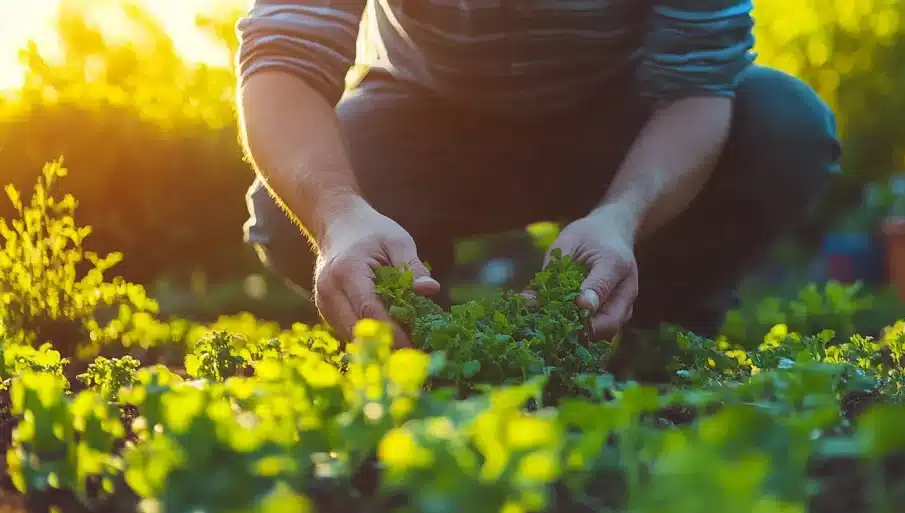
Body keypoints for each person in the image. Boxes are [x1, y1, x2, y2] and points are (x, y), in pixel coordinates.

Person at [235, 0, 841, 348]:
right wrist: (338, 214)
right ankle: (421, 338)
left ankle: (652, 324)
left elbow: (699, 82)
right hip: (427, 110)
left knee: (782, 126)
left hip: (627, 117)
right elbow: (284, 57)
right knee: (290, 210)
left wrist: (623, 216)